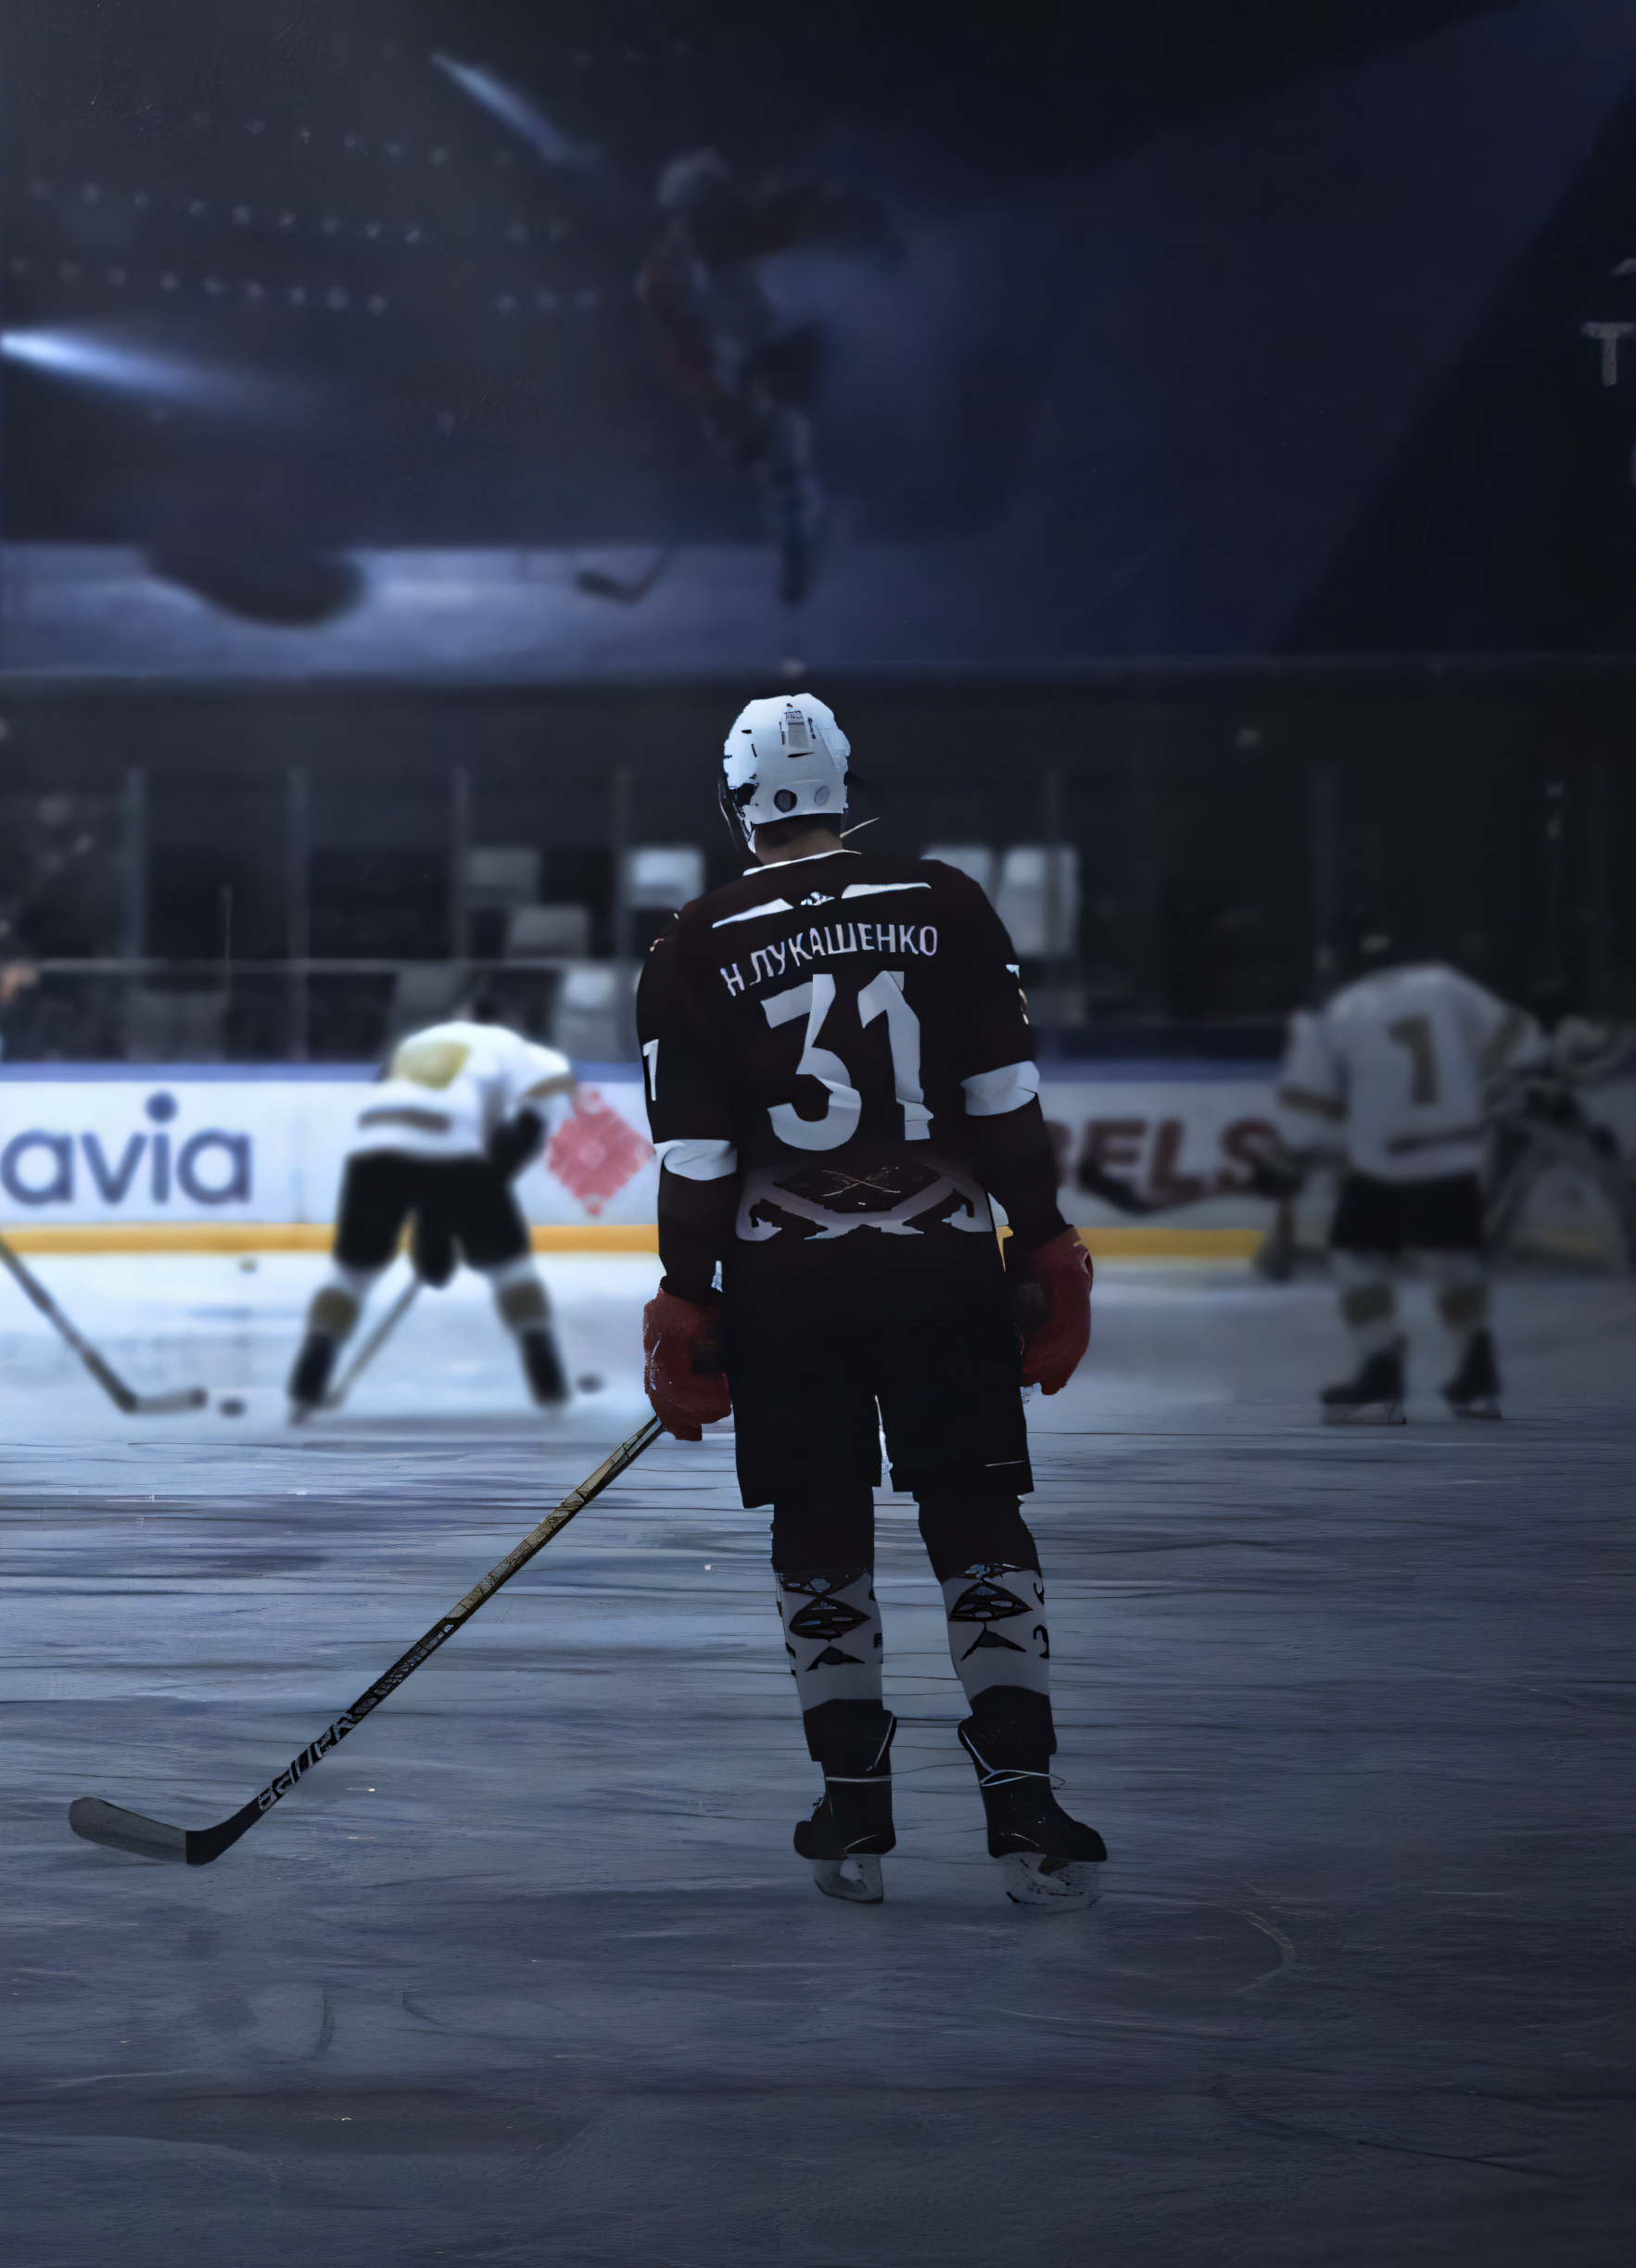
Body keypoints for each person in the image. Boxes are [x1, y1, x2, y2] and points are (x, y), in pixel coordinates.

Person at [635, 692, 1101, 1908]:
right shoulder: (945, 899)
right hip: (940, 1265)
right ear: (845, 786)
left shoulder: (690, 938)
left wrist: (688, 1297)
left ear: (736, 804)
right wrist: (1044, 1238)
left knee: (819, 1526)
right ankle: (1023, 1800)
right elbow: (1002, 1093)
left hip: (786, 1289)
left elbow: (693, 1156)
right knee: (977, 1513)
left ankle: (854, 1807)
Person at [1274, 939, 1542, 1423]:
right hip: (1456, 1150)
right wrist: (1477, 1090)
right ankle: (1477, 1373)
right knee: (1453, 1256)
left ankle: (1380, 1369)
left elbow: (1309, 1104)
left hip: (1385, 1160)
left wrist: (1287, 1161)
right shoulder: (1445, 984)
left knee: (1356, 1255)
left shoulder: (1342, 1010)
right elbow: (1520, 1038)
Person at [287, 999, 576, 1415]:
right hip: (453, 1151)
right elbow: (527, 1128)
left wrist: (432, 1225)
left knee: (351, 1272)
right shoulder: (517, 1047)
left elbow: (402, 1123)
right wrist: (461, 1210)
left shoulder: (418, 1043)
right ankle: (549, 1385)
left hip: (373, 1149)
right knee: (511, 1269)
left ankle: (308, 1380)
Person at [638, 150, 897, 605]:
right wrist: (716, 406)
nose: (701, 235)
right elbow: (682, 350)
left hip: (794, 333)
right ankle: (801, 516)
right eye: (688, 222)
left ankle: (798, 540)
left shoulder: (769, 217)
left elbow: (832, 202)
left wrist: (872, 235)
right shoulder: (665, 275)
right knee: (745, 447)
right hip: (736, 351)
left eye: (709, 220)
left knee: (784, 430)